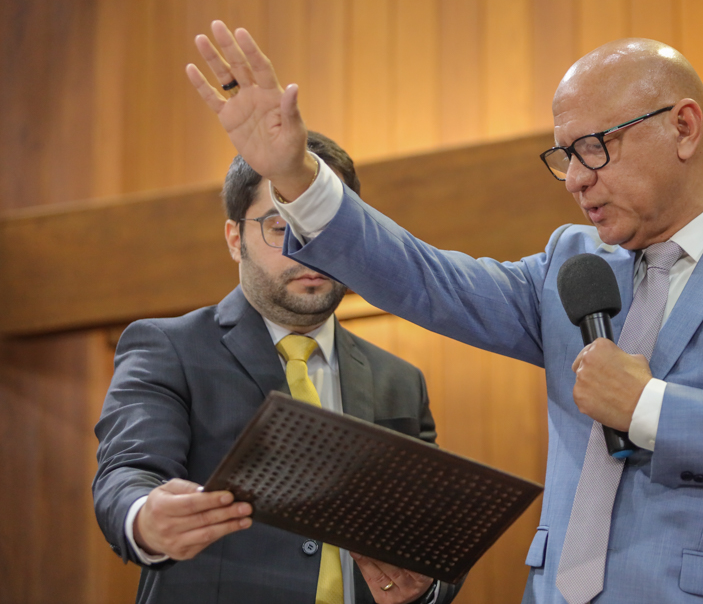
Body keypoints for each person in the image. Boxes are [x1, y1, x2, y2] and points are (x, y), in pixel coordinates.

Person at [186, 21, 703, 604]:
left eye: (595, 147)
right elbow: (426, 279)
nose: (578, 177)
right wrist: (296, 180)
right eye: (564, 156)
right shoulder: (572, 264)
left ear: (684, 127)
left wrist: (651, 406)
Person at [93, 131, 459, 604]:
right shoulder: (169, 348)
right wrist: (143, 517)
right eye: (280, 226)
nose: (307, 248)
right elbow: (128, 472)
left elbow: (430, 543)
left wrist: (427, 586)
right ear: (234, 238)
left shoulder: (400, 381)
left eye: (327, 227)